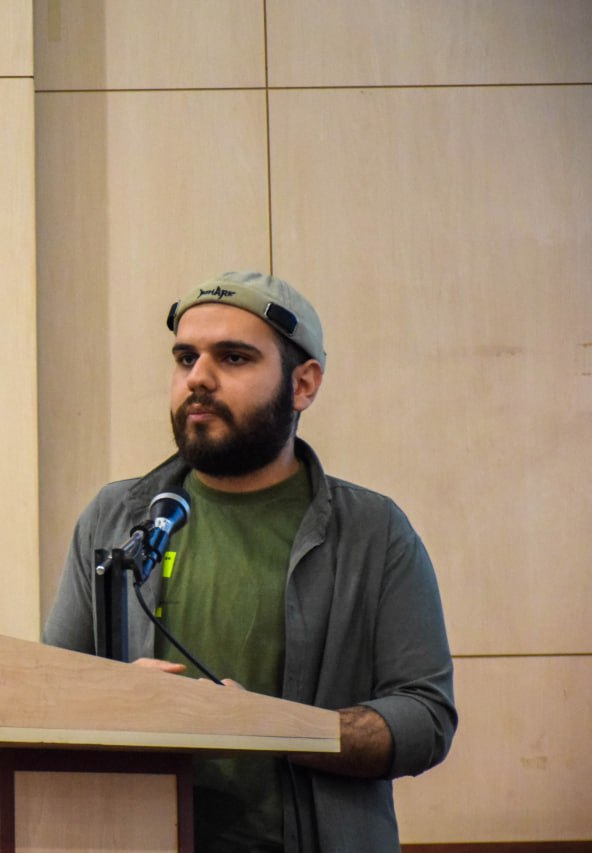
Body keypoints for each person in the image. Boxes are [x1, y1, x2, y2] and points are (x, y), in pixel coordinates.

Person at [43, 271, 456, 852]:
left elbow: (425, 718)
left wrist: (272, 727)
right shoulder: (115, 517)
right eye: (185, 358)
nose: (198, 378)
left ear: (303, 384)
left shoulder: (373, 532)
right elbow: (47, 696)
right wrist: (111, 702)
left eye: (233, 358)